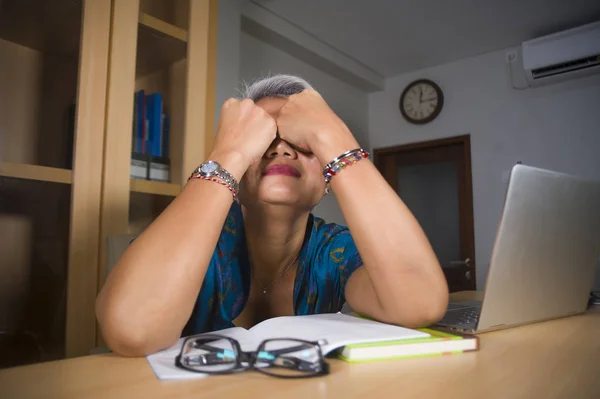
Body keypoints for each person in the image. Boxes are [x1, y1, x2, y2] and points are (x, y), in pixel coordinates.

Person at [95, 74, 449, 357]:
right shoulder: (195, 242)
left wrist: (332, 135)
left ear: (328, 179)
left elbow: (419, 303)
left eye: (304, 142)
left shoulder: (335, 251)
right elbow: (131, 329)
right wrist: (229, 153)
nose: (281, 149)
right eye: (264, 140)